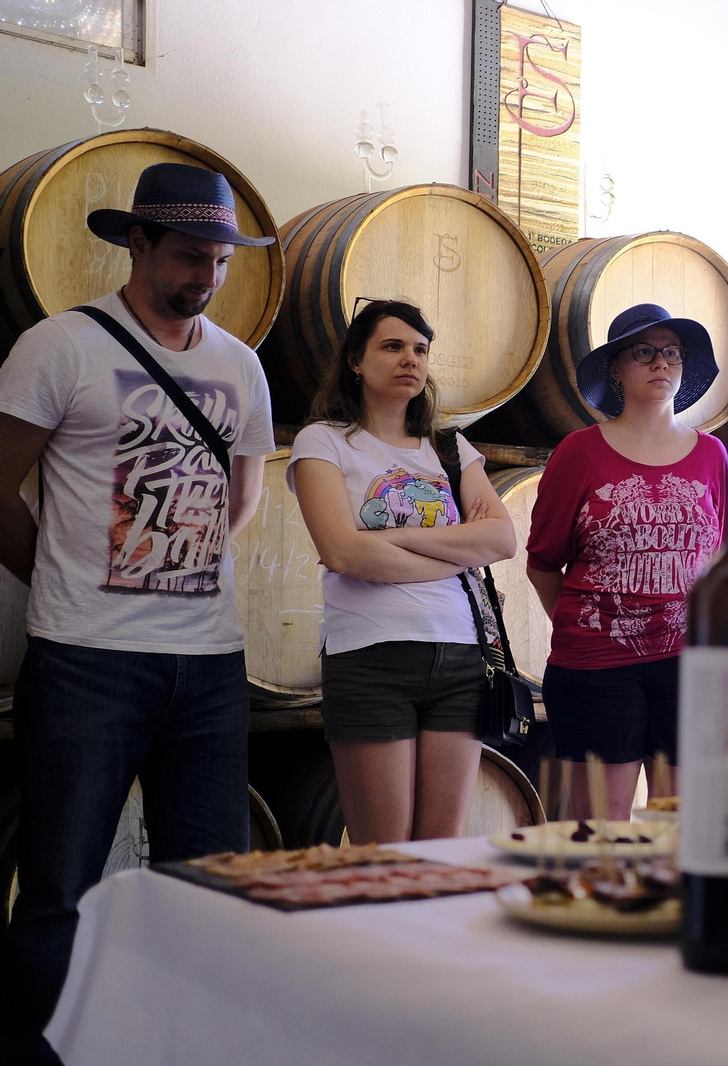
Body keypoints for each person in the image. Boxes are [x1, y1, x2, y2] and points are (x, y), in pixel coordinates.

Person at [0, 163, 276, 1061]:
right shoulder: (61, 347)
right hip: (86, 658)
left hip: (210, 663)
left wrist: (185, 561)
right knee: (60, 888)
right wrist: (59, 573)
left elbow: (244, 494)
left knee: (208, 885)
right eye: (190, 256)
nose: (207, 277)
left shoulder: (239, 364)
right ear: (139, 243)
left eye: (221, 261)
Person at [288, 300, 516, 845]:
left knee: (441, 848)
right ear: (356, 361)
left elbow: (501, 540)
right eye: (392, 346)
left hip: (461, 657)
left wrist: (391, 539)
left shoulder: (449, 448)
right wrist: (455, 552)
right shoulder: (323, 441)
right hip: (371, 656)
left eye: (420, 349)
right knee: (383, 852)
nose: (410, 359)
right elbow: (343, 553)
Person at [524, 303, 727, 821]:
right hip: (595, 668)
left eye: (672, 353)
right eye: (644, 352)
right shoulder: (579, 452)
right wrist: (588, 627)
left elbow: (721, 558)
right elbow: (542, 562)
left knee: (679, 830)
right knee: (601, 835)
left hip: (689, 663)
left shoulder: (713, 455)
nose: (661, 363)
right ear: (616, 367)